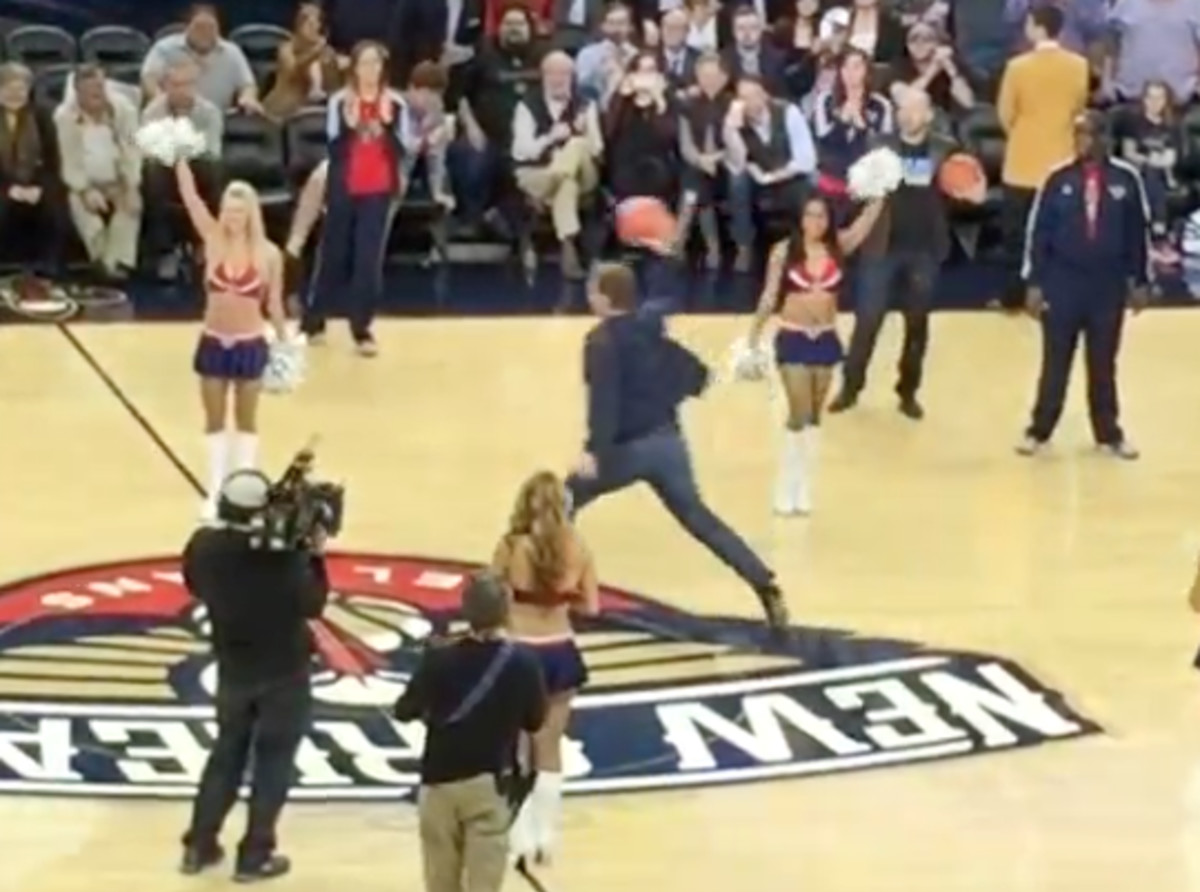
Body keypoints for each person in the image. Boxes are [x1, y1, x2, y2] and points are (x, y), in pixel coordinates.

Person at [566, 262, 790, 635]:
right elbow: (697, 377)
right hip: (668, 446)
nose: (589, 297)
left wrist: (593, 451)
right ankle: (765, 584)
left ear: (605, 298)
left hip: (625, 450)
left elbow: (604, 401)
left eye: (592, 291)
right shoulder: (650, 332)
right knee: (700, 520)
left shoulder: (600, 341)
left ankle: (557, 588)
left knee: (559, 502)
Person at [179, 470, 331, 881]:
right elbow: (313, 604)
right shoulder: (285, 556)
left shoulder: (204, 548)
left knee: (225, 755)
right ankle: (255, 855)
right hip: (285, 673)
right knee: (273, 764)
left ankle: (199, 845)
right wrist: (315, 553)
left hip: (233, 670)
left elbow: (193, 584)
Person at [830, 86, 981, 419]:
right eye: (902, 109)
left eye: (914, 110)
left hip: (924, 249)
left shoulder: (945, 149)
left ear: (928, 115)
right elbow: (856, 190)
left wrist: (970, 191)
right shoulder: (878, 145)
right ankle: (850, 388)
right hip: (882, 246)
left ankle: (908, 392)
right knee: (867, 320)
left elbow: (968, 190)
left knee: (917, 324)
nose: (906, 115)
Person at [394, 572, 548, 892]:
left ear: (465, 611)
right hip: (488, 783)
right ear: (506, 611)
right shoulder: (523, 663)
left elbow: (403, 710)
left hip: (438, 782)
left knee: (440, 882)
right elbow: (535, 721)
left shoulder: (438, 658)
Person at [1017, 111, 1149, 460]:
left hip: (1107, 285)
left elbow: (1138, 234)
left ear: (1105, 138)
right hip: (1063, 282)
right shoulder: (1057, 179)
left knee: (1103, 363)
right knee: (1055, 361)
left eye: (1088, 134)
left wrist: (1141, 280)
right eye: (1077, 134)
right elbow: (1039, 233)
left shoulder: (1126, 180)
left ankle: (1109, 433)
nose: (1082, 141)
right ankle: (1038, 430)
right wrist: (1034, 282)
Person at [748, 194, 883, 516]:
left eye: (821, 216)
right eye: (810, 216)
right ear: (800, 219)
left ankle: (804, 484)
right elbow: (769, 295)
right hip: (793, 335)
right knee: (799, 411)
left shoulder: (839, 246)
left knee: (814, 417)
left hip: (825, 339)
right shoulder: (783, 251)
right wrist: (754, 335)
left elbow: (866, 222)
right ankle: (785, 482)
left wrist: (881, 188)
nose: (816, 223)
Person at [491, 471, 599, 865]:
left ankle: (518, 836)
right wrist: (560, 598)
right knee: (549, 747)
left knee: (518, 746)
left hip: (519, 652)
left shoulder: (510, 546)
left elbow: (490, 599)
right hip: (561, 651)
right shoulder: (579, 547)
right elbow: (592, 607)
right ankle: (545, 837)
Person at [176, 154, 287, 520]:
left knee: (246, 421)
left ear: (251, 214)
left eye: (239, 211)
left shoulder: (270, 255)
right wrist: (180, 160)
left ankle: (247, 493)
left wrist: (285, 345)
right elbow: (191, 198)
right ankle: (215, 488)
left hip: (250, 343)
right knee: (213, 420)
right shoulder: (211, 239)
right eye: (227, 209)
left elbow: (274, 304)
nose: (232, 217)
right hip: (213, 341)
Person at [304, 41, 408, 356]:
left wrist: (387, 129)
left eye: (375, 64)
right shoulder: (339, 102)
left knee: (368, 259)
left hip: (377, 189)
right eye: (364, 63)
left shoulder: (396, 104)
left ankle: (361, 327)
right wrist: (350, 129)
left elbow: (403, 151)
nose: (370, 70)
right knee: (333, 254)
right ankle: (314, 320)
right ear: (354, 68)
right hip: (345, 187)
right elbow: (333, 150)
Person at [995, 4, 1088, 311]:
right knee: (1060, 237)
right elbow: (1078, 110)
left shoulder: (1018, 67)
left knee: (1017, 237)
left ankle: (1012, 297)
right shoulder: (1078, 66)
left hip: (1022, 164)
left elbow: (1005, 114)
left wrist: (1023, 134)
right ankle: (1056, 294)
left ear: (1035, 27)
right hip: (1062, 163)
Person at [54, 64, 142, 281]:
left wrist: (130, 186)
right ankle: (103, 262)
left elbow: (132, 150)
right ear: (78, 92)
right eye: (90, 90)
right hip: (84, 181)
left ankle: (117, 263)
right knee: (83, 211)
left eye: (101, 87)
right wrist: (84, 190)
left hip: (117, 178)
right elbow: (69, 160)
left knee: (131, 208)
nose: (97, 94)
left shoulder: (124, 110)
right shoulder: (64, 117)